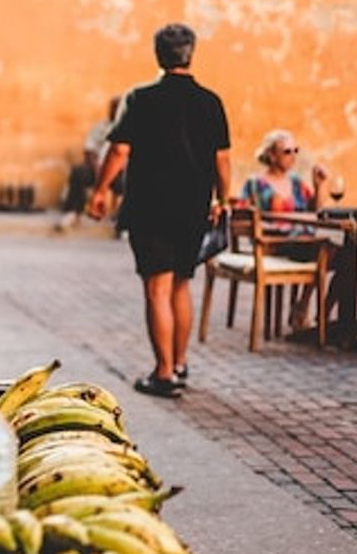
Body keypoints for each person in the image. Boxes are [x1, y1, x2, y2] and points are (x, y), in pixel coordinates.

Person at [88, 23, 230, 399]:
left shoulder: (140, 98)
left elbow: (119, 150)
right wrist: (223, 198)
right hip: (193, 207)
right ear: (191, 53)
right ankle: (180, 364)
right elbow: (222, 159)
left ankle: (163, 373)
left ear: (158, 54)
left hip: (151, 207)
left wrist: (100, 190)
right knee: (181, 284)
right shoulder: (210, 102)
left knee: (156, 289)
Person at [241, 129, 329, 330]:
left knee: (345, 255)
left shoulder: (296, 182)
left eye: (295, 150)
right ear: (271, 155)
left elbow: (315, 211)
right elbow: (241, 216)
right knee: (327, 251)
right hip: (275, 243)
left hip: (302, 241)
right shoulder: (256, 184)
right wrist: (263, 229)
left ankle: (321, 317)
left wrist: (319, 186)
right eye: (287, 151)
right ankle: (304, 308)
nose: (293, 156)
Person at [59, 96, 120, 229]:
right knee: (78, 172)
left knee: (133, 179)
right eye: (112, 108)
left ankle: (123, 220)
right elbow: (89, 150)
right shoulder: (100, 127)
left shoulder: (128, 128)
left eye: (117, 108)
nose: (114, 111)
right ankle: (73, 212)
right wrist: (97, 168)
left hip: (118, 170)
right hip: (97, 167)